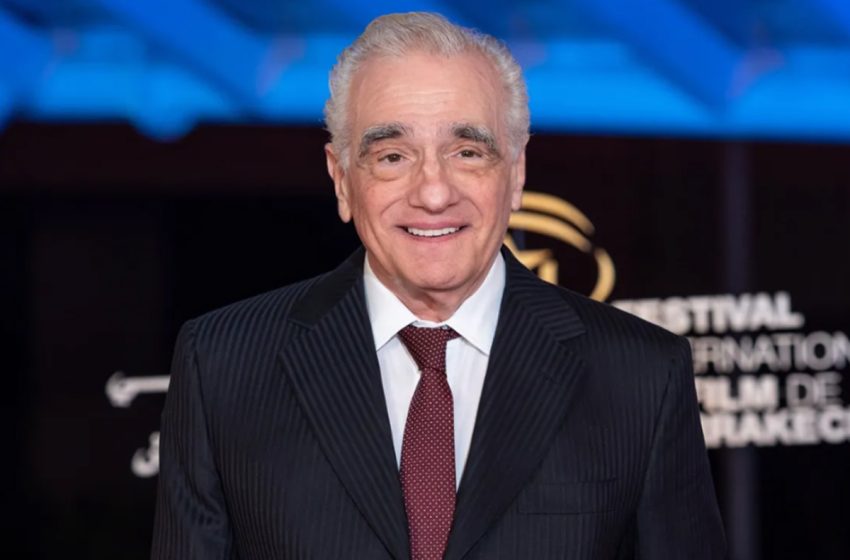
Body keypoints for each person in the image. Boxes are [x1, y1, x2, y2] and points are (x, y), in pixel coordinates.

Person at [151, 12, 726, 560]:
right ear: (342, 179)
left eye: (468, 152)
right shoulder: (223, 365)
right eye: (392, 156)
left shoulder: (641, 377)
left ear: (517, 172)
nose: (433, 193)